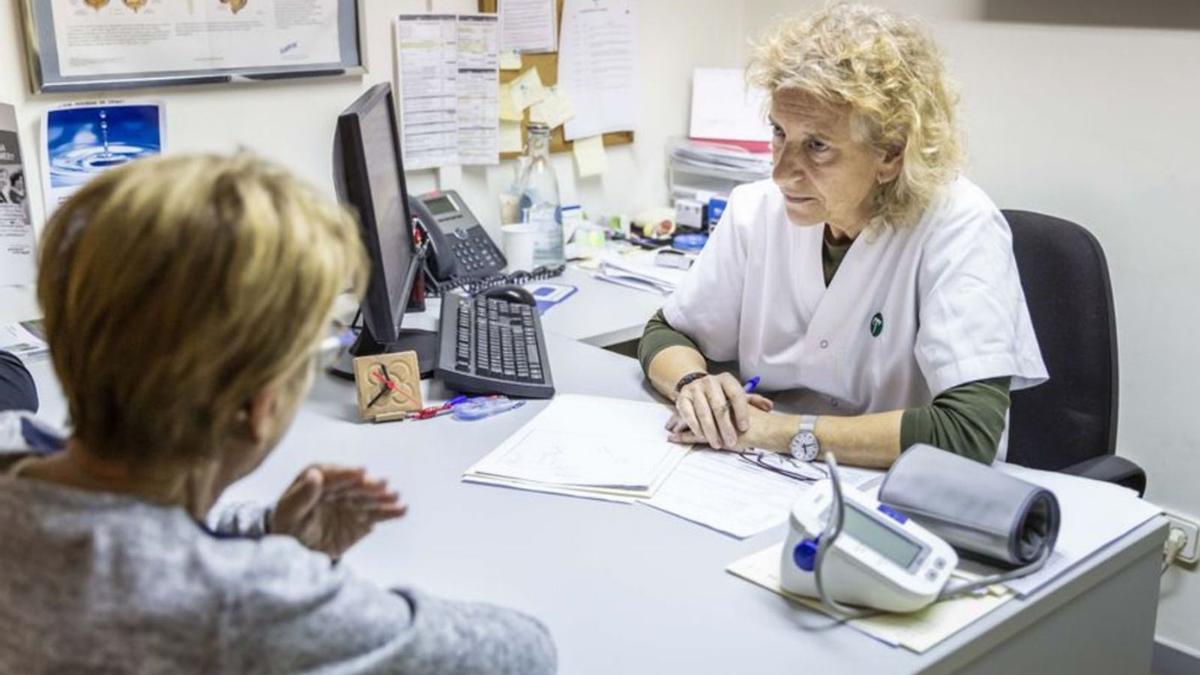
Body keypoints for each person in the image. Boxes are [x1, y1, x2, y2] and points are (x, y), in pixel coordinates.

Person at [0, 154, 556, 673]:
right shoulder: (242, 599)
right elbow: (523, 651)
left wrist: (264, 529)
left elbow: (122, 530)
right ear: (258, 406)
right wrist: (298, 579)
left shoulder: (13, 449)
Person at [640, 4, 1047, 469]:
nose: (782, 172)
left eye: (817, 146)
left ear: (890, 154)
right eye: (779, 133)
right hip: (764, 477)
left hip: (900, 499)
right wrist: (694, 384)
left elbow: (965, 432)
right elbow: (666, 331)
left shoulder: (958, 226)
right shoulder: (757, 211)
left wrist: (775, 431)